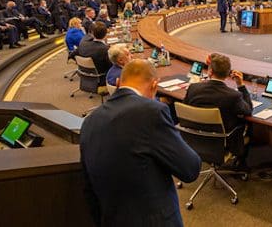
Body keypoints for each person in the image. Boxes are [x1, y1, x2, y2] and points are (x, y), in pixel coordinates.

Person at [80, 59, 201, 227]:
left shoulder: (89, 122)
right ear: (154, 86)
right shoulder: (151, 112)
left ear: (118, 82)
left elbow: (88, 189)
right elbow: (190, 169)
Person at [184, 52, 252, 166]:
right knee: (249, 125)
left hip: (194, 139)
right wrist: (241, 85)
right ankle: (242, 164)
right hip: (222, 142)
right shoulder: (233, 96)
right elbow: (248, 110)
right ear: (228, 74)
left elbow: (185, 107)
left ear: (210, 72)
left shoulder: (193, 88)